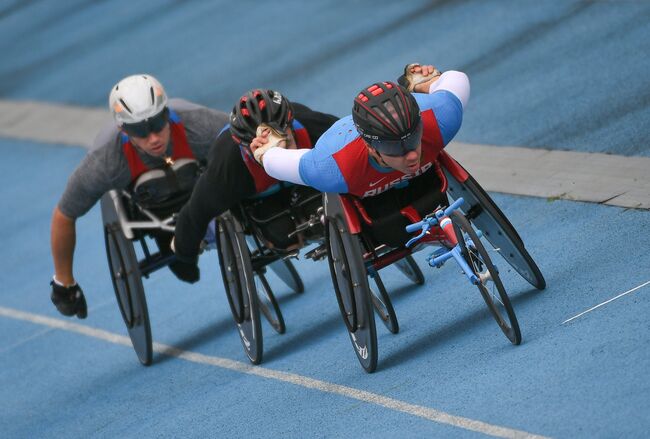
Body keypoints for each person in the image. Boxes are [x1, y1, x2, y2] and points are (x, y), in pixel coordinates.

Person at [50, 74, 229, 319]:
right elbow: (64, 215)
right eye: (140, 131)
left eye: (156, 123)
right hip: (155, 214)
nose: (153, 138)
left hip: (203, 192)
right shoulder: (105, 161)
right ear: (123, 129)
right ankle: (172, 245)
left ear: (166, 112)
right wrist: (64, 283)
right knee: (185, 267)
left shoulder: (198, 123)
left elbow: (249, 141)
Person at [254, 64, 470, 248]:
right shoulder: (333, 166)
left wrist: (428, 84)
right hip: (381, 217)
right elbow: (278, 163)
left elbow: (457, 79)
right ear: (370, 147)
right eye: (395, 149)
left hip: (425, 188)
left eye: (414, 139)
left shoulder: (440, 116)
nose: (411, 155)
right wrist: (269, 150)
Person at [172, 89, 338, 265]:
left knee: (324, 216)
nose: (276, 146)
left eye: (282, 137)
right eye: (261, 144)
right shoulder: (227, 165)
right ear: (244, 146)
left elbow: (357, 141)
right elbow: (196, 212)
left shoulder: (311, 125)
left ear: (291, 124)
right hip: (261, 200)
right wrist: (185, 253)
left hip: (306, 181)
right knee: (283, 237)